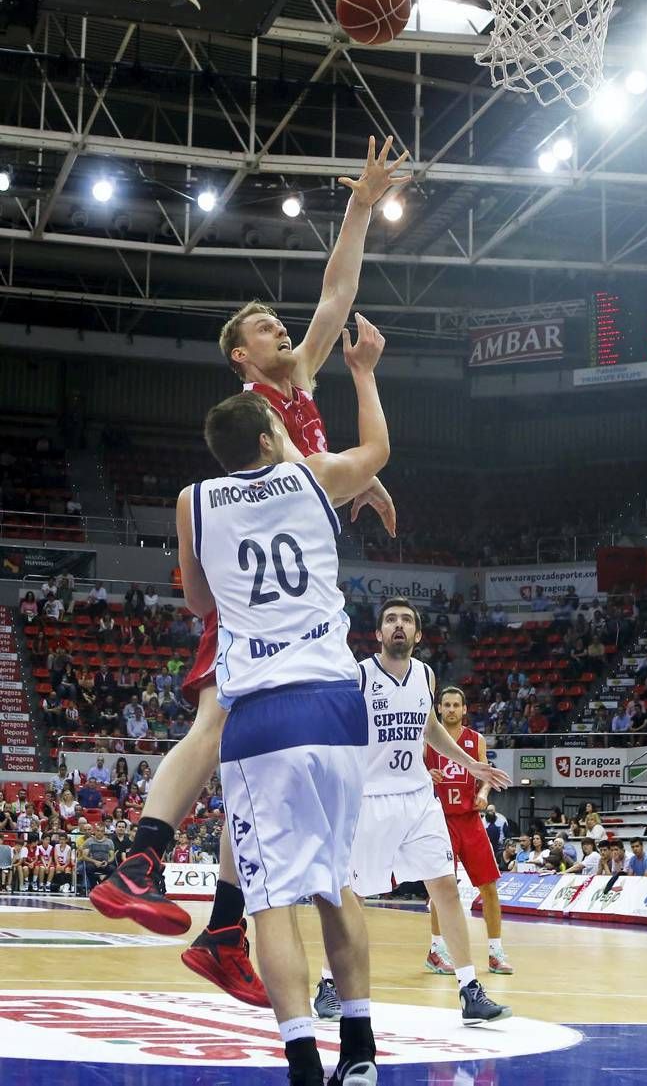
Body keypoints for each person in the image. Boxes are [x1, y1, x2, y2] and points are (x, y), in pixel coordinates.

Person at [89, 139, 408, 1006]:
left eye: (279, 324)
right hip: (256, 605)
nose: (282, 330)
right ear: (240, 356)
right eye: (264, 328)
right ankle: (141, 857)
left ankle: (226, 924)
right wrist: (362, 474)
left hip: (289, 600)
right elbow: (306, 466)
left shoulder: (298, 385)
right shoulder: (252, 413)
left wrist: (358, 206)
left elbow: (336, 293)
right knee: (213, 727)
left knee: (250, 765)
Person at [96, 311, 392, 1086]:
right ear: (271, 433)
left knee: (275, 904)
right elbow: (375, 448)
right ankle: (359, 1055)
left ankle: (296, 1053)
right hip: (336, 698)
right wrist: (364, 372)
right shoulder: (310, 472)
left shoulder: (194, 500)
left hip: (261, 708)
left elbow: (198, 602)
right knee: (337, 887)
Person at [347, 598, 512, 1023]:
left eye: (406, 620)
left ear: (418, 635)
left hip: (420, 798)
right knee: (353, 895)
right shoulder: (359, 675)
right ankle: (330, 983)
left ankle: (469, 988)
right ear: (378, 633)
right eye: (390, 620)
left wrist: (469, 763)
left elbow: (428, 726)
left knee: (446, 887)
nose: (398, 626)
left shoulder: (425, 674)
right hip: (372, 799)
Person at [425, 686, 515, 977]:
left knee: (488, 887)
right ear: (439, 709)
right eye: (446, 705)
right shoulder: (427, 739)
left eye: (456, 705)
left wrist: (485, 792)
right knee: (443, 890)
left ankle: (495, 951)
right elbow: (412, 770)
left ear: (464, 710)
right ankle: (436, 950)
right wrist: (426, 775)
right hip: (440, 821)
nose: (451, 709)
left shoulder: (476, 740)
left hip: (469, 819)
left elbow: (485, 777)